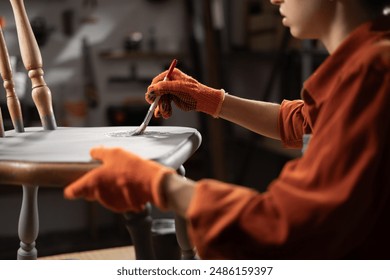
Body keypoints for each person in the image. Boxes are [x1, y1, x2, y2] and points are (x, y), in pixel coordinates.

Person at [64, 0, 390, 259]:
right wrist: (210, 99)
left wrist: (158, 184)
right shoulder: (368, 60)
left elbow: (284, 226)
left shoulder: (374, 73)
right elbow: (305, 122)